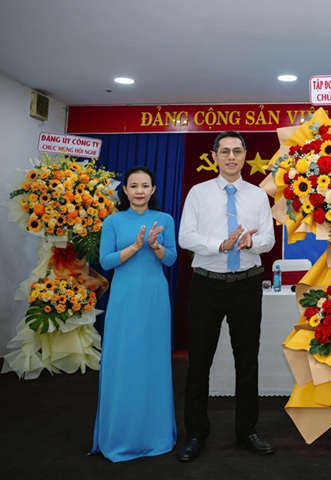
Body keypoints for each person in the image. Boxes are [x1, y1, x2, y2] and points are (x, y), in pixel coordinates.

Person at [177, 131, 275, 462]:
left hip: (246, 285)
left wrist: (251, 242)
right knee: (198, 362)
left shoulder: (258, 196)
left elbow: (268, 239)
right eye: (225, 151)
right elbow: (185, 236)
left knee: (247, 361)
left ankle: (247, 431)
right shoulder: (198, 193)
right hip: (207, 285)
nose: (231, 157)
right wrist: (220, 245)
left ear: (245, 155)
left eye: (237, 151)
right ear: (215, 156)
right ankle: (195, 434)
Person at [91, 166, 177, 462]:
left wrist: (154, 245)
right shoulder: (113, 221)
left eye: (145, 186)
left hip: (155, 299)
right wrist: (136, 246)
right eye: (134, 186)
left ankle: (155, 435)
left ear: (153, 190)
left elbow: (171, 259)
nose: (140, 191)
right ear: (125, 190)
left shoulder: (164, 219)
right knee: (123, 361)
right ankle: (120, 435)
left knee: (153, 362)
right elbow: (106, 261)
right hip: (124, 299)